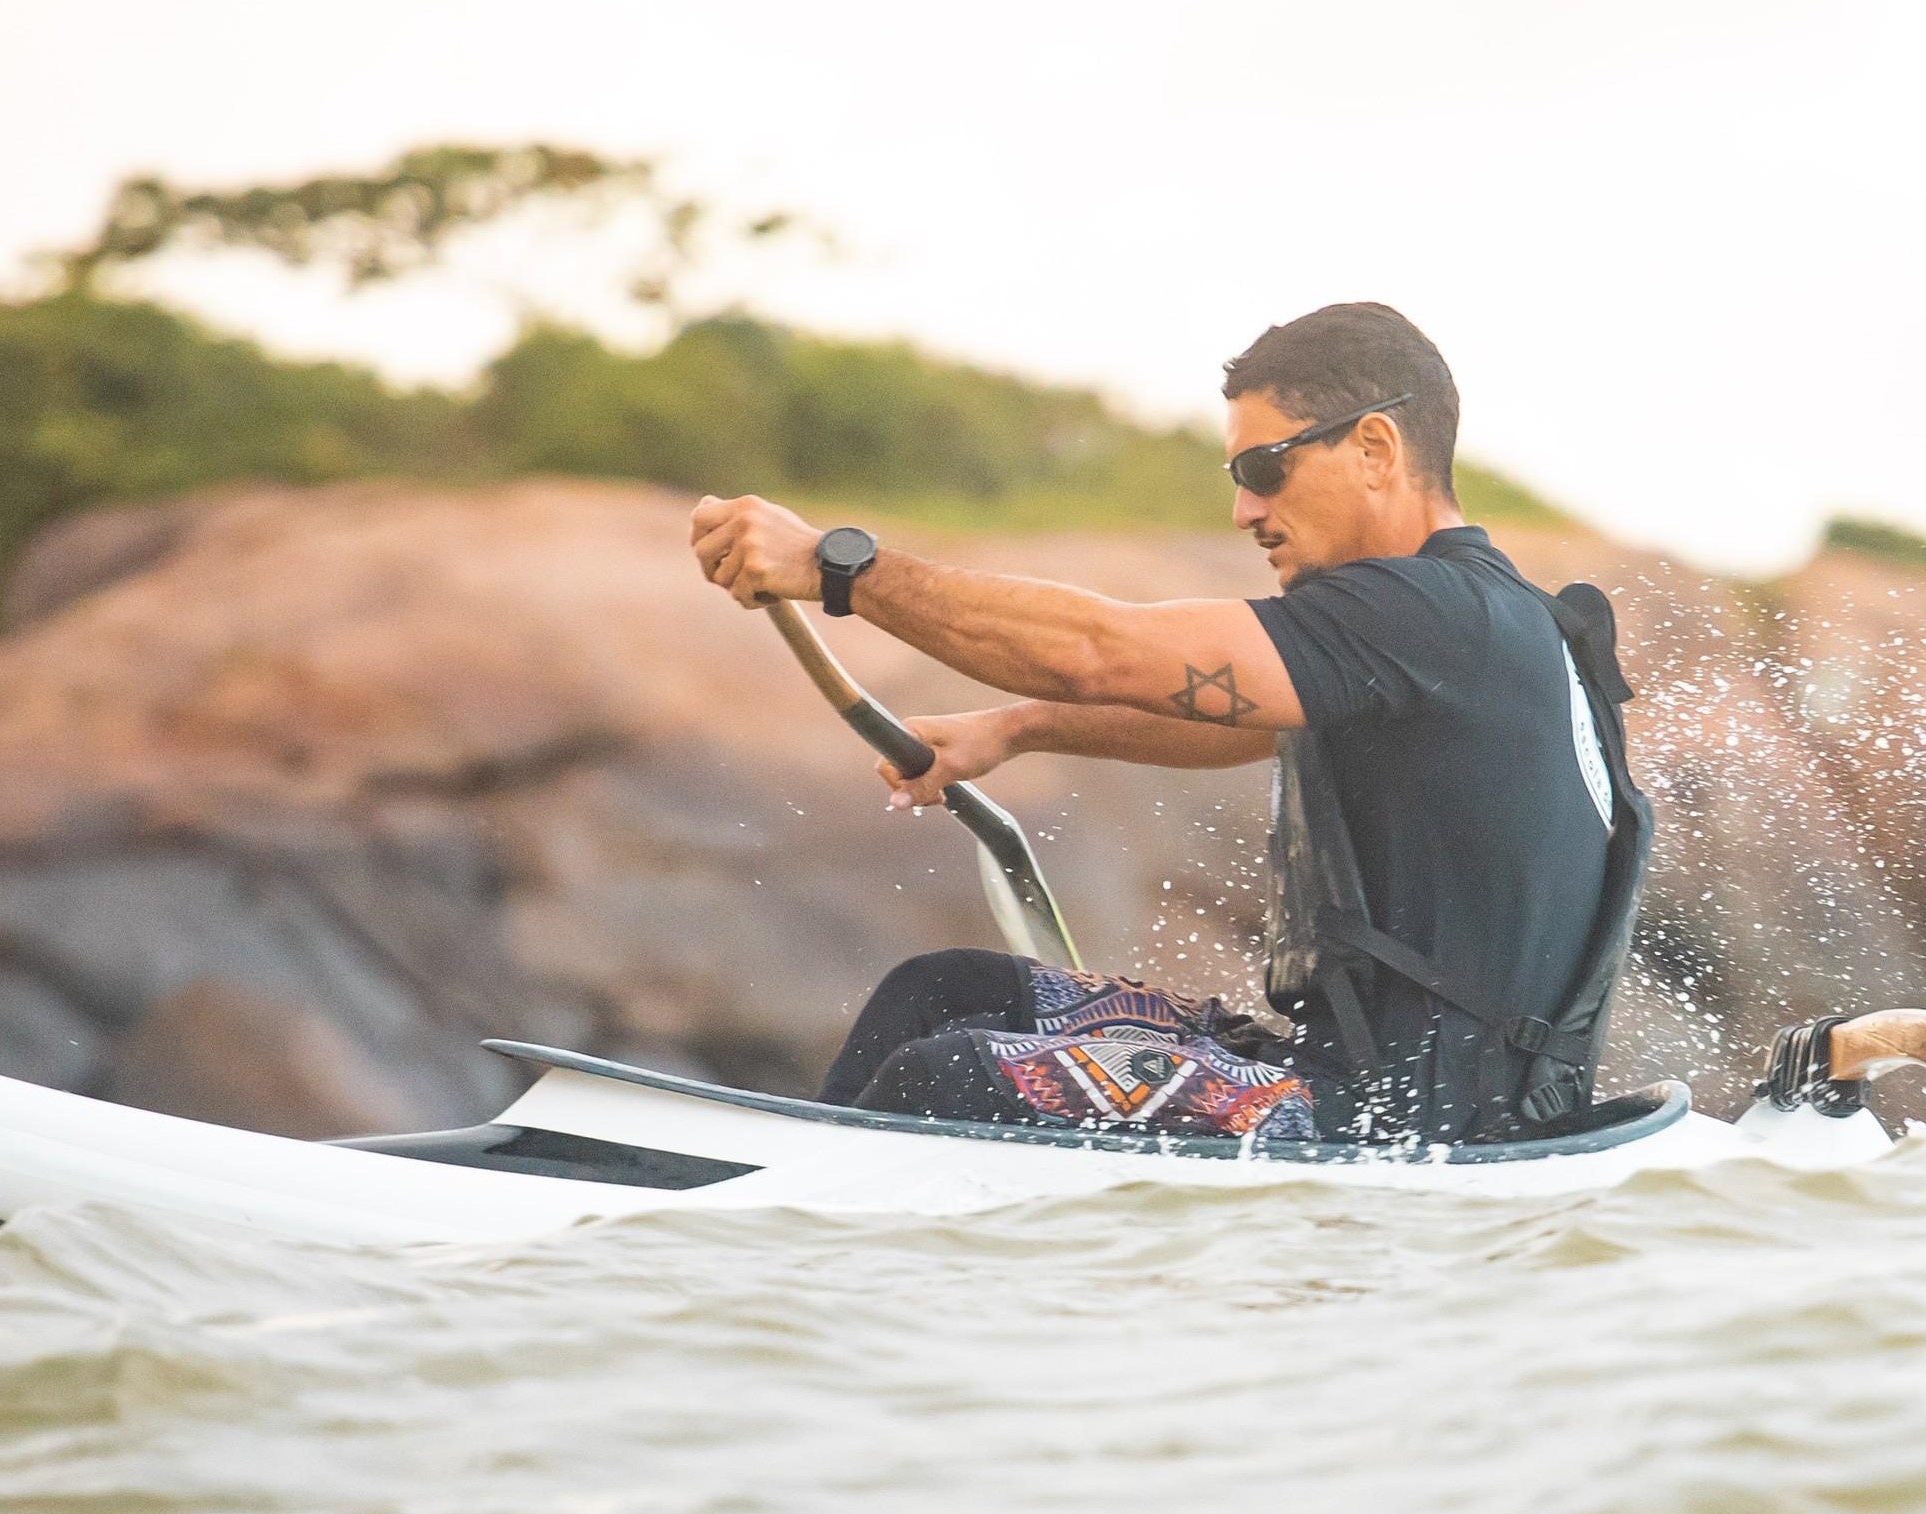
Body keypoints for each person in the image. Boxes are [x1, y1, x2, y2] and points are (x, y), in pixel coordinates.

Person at [690, 303, 1652, 1146]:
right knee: (946, 993)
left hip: (1398, 1123)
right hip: (1348, 1079)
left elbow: (1100, 649)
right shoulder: (1473, 618)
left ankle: (815, 1272)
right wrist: (1020, 729)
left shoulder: (1425, 612)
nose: (1244, 508)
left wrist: (836, 568)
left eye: (1265, 467)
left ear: (1375, 450)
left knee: (953, 1078)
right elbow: (1237, 719)